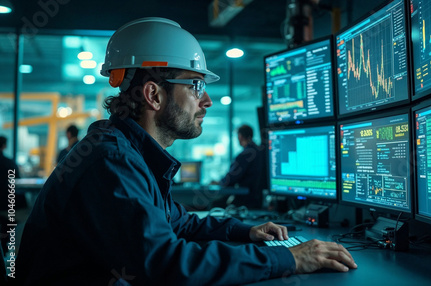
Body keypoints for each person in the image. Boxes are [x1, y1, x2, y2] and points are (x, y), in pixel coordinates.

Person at [16, 18, 356, 285]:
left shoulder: (130, 153)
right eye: (196, 86)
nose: (206, 101)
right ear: (153, 95)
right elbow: (167, 264)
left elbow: (179, 223)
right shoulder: (111, 161)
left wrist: (245, 231)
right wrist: (291, 259)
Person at [213, 124, 265, 209]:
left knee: (216, 205)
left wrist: (220, 182)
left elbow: (231, 178)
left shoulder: (245, 155)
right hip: (259, 198)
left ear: (240, 137)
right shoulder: (260, 151)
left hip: (245, 199)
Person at [0, 136, 21, 254]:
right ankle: (5, 243)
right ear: (4, 146)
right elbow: (17, 181)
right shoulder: (10, 163)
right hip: (7, 203)